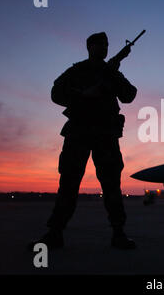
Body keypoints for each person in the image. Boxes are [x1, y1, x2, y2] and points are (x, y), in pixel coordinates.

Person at [29, 32, 137, 250]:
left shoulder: (112, 72)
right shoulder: (77, 71)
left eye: (107, 44)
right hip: (78, 132)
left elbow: (129, 95)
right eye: (100, 44)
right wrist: (83, 95)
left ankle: (118, 233)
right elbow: (56, 93)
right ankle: (55, 233)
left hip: (105, 135)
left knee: (111, 186)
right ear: (89, 47)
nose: (105, 48)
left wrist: (113, 75)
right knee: (68, 183)